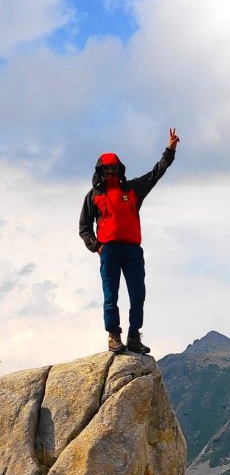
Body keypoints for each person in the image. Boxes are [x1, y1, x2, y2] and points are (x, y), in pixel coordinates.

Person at [79, 128, 180, 354]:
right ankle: (114, 336)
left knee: (138, 294)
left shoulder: (133, 189)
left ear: (119, 169)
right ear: (100, 171)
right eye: (106, 169)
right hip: (109, 251)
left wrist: (169, 152)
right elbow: (84, 226)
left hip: (133, 250)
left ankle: (134, 336)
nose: (110, 172)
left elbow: (156, 174)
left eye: (113, 168)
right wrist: (97, 247)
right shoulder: (94, 195)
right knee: (110, 295)